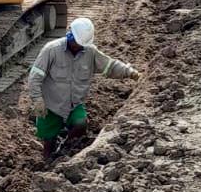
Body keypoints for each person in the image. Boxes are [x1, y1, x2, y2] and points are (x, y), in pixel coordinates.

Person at [27, 17, 141, 159]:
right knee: (49, 139)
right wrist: (38, 100)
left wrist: (130, 72)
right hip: (51, 104)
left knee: (80, 123)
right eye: (76, 43)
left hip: (73, 104)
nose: (78, 46)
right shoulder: (51, 50)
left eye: (81, 44)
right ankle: (47, 160)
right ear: (69, 35)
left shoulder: (90, 52)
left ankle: (64, 150)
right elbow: (34, 77)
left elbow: (109, 66)